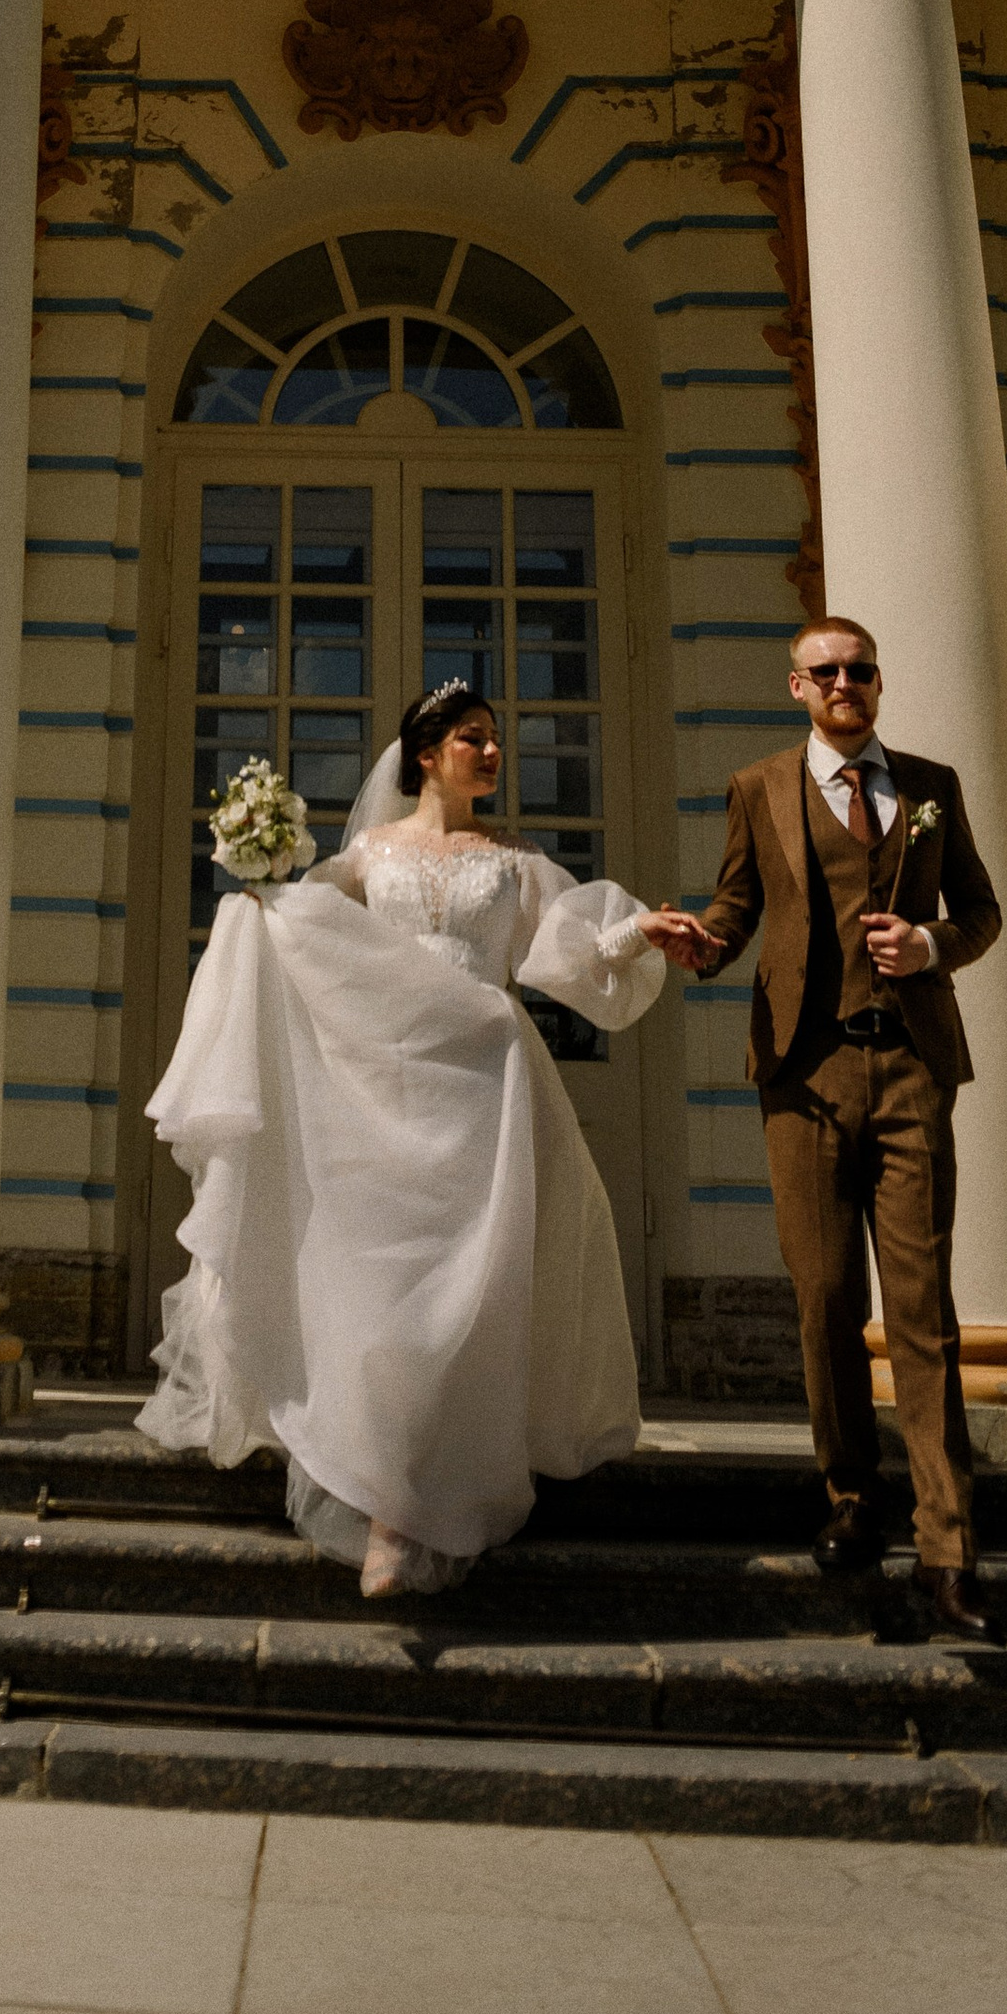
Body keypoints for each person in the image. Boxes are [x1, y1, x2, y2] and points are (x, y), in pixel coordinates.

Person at [139, 676, 670, 1599]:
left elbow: (565, 954)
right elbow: (301, 934)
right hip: (377, 1100)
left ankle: (421, 1499)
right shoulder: (368, 858)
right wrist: (257, 883)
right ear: (426, 756)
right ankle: (387, 1495)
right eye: (473, 738)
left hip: (484, 1096)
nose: (492, 752)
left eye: (495, 738)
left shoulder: (516, 860)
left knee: (470, 1300)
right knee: (383, 1301)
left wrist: (637, 935)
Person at [648, 616, 1005, 1641]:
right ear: (794, 687)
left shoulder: (929, 786)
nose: (845, 683)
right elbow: (735, 904)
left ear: (875, 685)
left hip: (909, 1068)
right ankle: (851, 1494)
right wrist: (701, 944)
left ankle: (949, 1548)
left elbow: (978, 912)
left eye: (859, 670)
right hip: (802, 1075)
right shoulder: (759, 787)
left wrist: (931, 943)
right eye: (826, 672)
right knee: (823, 1297)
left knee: (922, 1310)